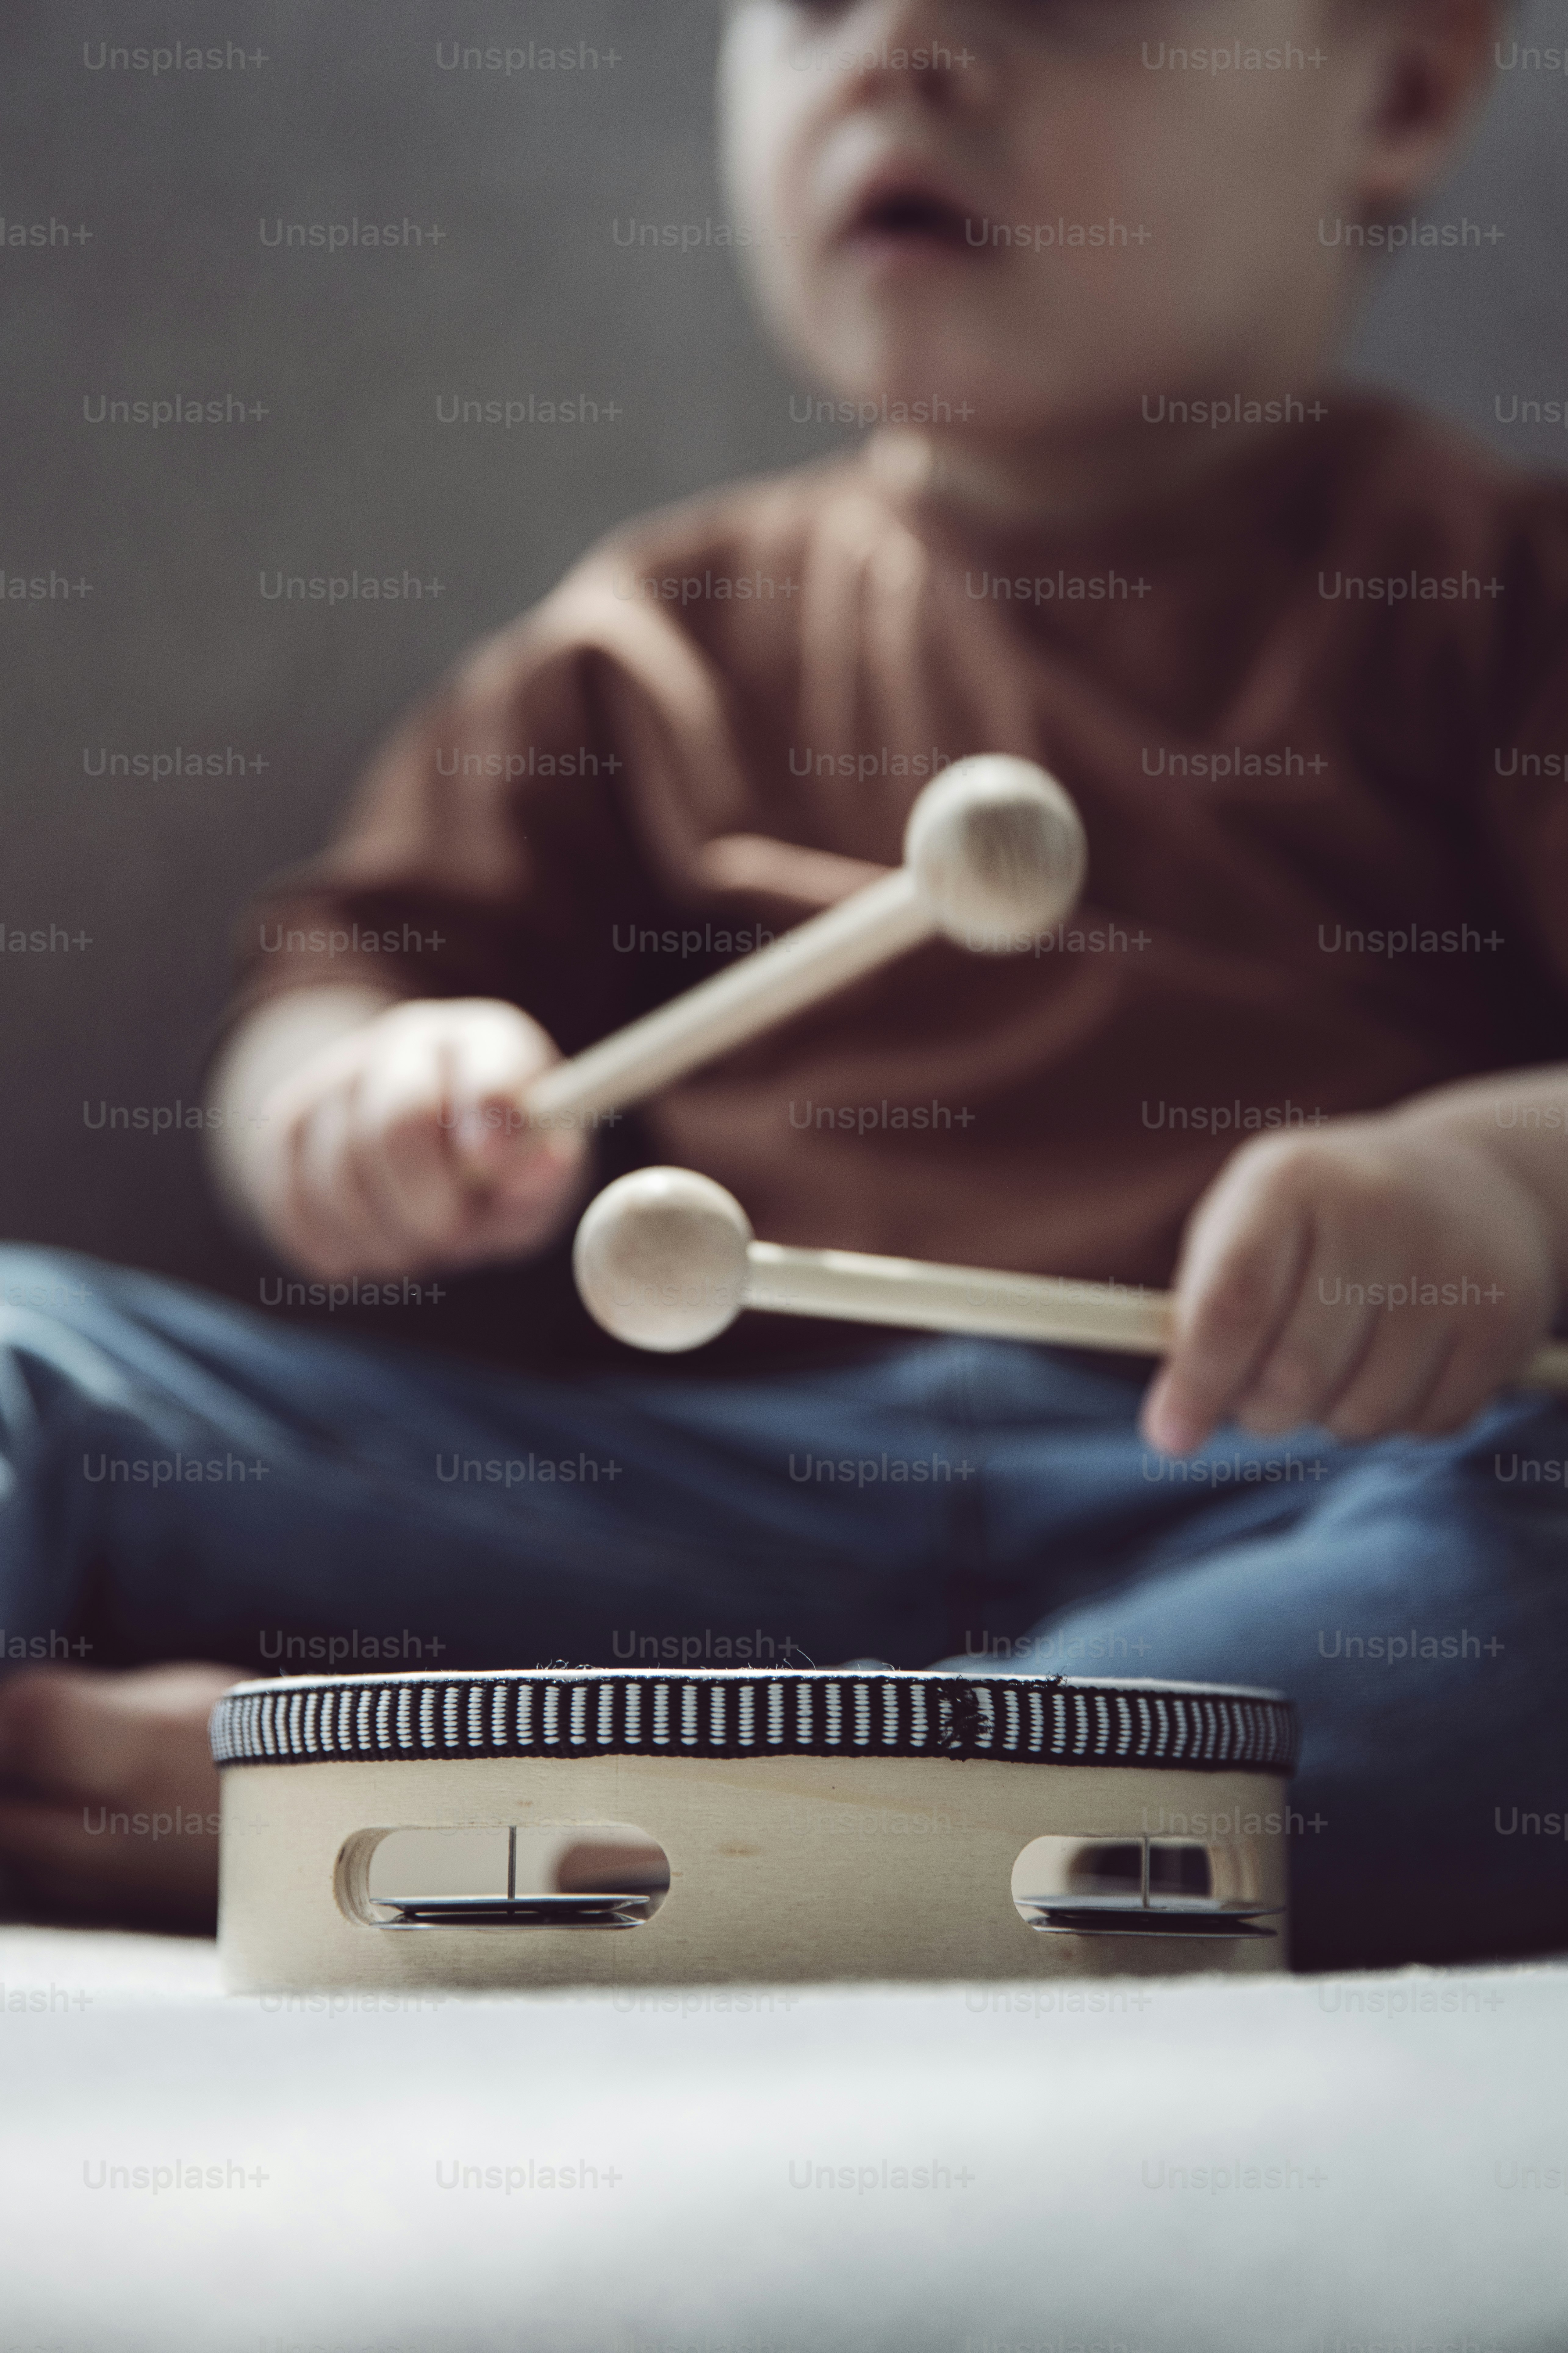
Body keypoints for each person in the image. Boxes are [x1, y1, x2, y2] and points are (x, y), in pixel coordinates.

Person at [1, 0, 1562, 1967]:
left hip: (1275, 1511)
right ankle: (847, 1845)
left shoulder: (1500, 601)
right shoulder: (663, 643)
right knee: (26, 1345)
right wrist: (359, 1091)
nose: (903, 50)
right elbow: (351, 969)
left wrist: (1498, 1184)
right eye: (819, 2)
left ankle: (476, 1834)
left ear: (1401, 89)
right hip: (689, 1514)